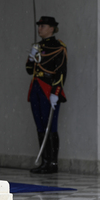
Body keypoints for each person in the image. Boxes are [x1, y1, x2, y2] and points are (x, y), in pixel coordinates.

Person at [25, 16, 67, 174]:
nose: (40, 28)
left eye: (43, 26)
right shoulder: (37, 46)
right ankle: (45, 161)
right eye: (39, 26)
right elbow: (30, 70)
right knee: (40, 127)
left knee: (51, 127)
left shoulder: (59, 46)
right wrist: (32, 56)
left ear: (52, 28)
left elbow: (61, 72)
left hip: (49, 89)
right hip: (36, 89)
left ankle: (53, 163)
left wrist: (55, 92)